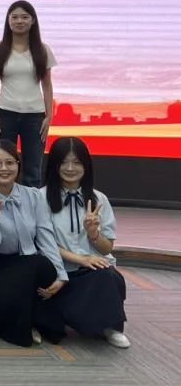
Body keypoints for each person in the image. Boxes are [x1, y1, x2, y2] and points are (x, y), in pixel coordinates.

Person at [0, 139, 67, 347]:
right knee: (12, 311)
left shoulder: (33, 196)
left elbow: (46, 237)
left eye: (10, 162)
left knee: (42, 266)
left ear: (18, 165)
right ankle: (21, 322)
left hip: (24, 261)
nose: (4, 168)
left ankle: (29, 319)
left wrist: (61, 275)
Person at [41, 137, 129, 348]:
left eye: (77, 162)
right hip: (57, 268)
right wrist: (80, 259)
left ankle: (110, 327)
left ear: (86, 165)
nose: (70, 168)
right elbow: (43, 242)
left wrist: (93, 234)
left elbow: (107, 248)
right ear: (54, 165)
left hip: (90, 270)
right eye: (64, 162)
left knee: (109, 276)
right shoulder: (40, 197)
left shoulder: (99, 199)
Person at [0, 0, 57, 187]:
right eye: (15, 17)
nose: (19, 21)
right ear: (8, 21)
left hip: (35, 115)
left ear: (32, 20)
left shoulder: (42, 49)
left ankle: (30, 205)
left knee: (33, 170)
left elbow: (47, 85)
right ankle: (1, 203)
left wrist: (49, 116)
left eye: (24, 17)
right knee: (2, 165)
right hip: (4, 113)